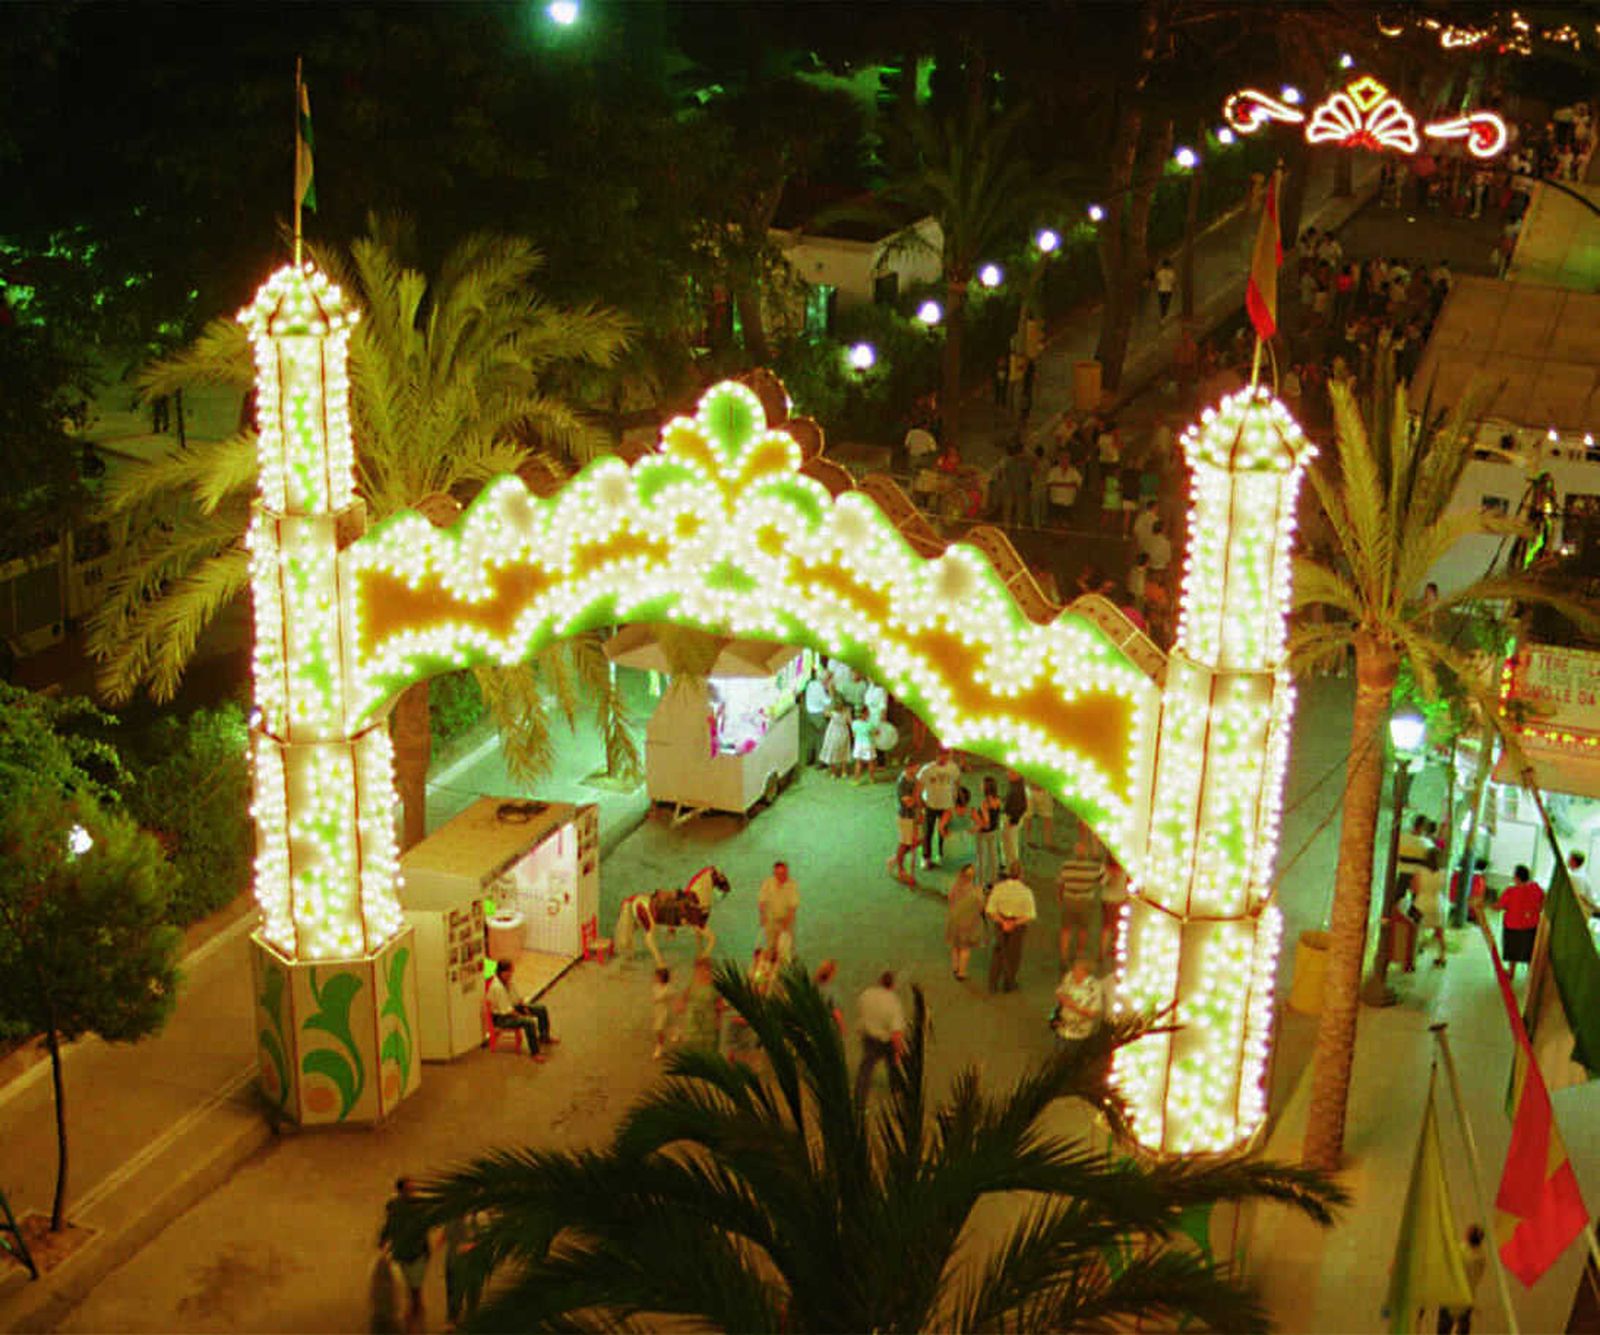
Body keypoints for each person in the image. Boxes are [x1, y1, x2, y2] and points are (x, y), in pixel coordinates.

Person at [380, 1178, 431, 1335]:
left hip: (416, 1253)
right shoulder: (396, 1206)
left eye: (413, 1189)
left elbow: (422, 1228)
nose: (413, 1191)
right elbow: (389, 1225)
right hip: (404, 1254)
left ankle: (415, 1325)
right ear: (401, 1191)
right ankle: (414, 1325)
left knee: (415, 1291)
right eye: (410, 1189)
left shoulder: (416, 1206)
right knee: (409, 1291)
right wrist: (383, 1240)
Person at [855, 971, 907, 1104]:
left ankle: (859, 1098)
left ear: (880, 981)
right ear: (893, 985)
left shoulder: (866, 994)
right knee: (893, 1066)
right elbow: (896, 1032)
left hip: (869, 1038)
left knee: (866, 1068)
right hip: (886, 1040)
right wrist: (898, 1051)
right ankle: (897, 1093)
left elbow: (861, 1011)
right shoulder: (893, 1002)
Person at [486, 959, 556, 1060]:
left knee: (541, 1009)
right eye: (509, 972)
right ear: (502, 972)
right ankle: (535, 1053)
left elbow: (517, 998)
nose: (511, 974)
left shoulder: (509, 982)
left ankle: (544, 1036)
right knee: (529, 1022)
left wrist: (524, 1007)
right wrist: (522, 1015)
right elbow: (507, 1010)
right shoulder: (497, 988)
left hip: (512, 1007)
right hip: (502, 1017)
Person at [986, 865, 1037, 993]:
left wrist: (1003, 922)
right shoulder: (1026, 892)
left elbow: (990, 910)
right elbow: (1030, 915)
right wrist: (1013, 923)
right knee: (1014, 954)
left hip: (1000, 923)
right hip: (1018, 926)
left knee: (998, 952)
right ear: (1021, 875)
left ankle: (993, 983)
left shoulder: (999, 888)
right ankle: (1009, 983)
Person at [1056, 840, 1103, 967]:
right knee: (1083, 929)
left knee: (1066, 930)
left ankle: (1064, 957)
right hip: (1085, 901)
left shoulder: (1066, 866)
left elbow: (1060, 883)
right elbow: (1102, 881)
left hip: (1069, 900)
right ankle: (1079, 954)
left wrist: (1060, 899)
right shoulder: (1093, 868)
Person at [1497, 864, 1545, 983]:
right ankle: (1530, 976)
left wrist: (1484, 905)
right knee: (1529, 952)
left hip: (1512, 926)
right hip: (1531, 927)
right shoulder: (1536, 888)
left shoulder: (1510, 891)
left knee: (1513, 951)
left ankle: (1511, 972)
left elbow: (1500, 906)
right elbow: (1543, 902)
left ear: (1517, 877)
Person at [1437, 1224, 1487, 1333]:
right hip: (1467, 1296)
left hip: (1451, 1296)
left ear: (1468, 1235)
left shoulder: (1459, 1251)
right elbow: (1478, 1276)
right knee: (1462, 1328)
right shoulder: (1482, 1257)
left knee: (1444, 1329)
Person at [918, 747, 962, 869]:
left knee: (944, 831)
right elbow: (919, 787)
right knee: (928, 832)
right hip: (931, 805)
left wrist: (955, 799)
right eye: (942, 755)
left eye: (947, 755)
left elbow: (957, 782)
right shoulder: (927, 769)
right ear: (937, 755)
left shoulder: (953, 768)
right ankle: (926, 857)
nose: (945, 758)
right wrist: (921, 804)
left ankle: (942, 855)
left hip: (946, 806)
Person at [1051, 957, 1105, 1051]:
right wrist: (1064, 999)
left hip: (1079, 1033)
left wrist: (1074, 1006)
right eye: (1074, 969)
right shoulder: (1069, 976)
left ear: (1085, 972)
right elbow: (1059, 992)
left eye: (1077, 970)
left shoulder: (1095, 987)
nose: (1073, 972)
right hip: (1062, 1028)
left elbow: (1093, 1013)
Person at [945, 864, 986, 982]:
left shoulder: (955, 887)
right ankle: (962, 972)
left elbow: (950, 900)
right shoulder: (976, 891)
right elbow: (981, 907)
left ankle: (955, 967)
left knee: (955, 946)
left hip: (954, 921)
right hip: (968, 924)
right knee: (965, 948)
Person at [443, 1210, 483, 1330]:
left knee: (474, 1293)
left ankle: (471, 1318)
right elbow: (450, 1237)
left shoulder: (479, 1219)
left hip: (475, 1263)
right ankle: (452, 1318)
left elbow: (486, 1237)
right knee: (456, 1292)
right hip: (457, 1264)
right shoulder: (453, 1221)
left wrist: (472, 1245)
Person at [1410, 847, 1448, 968]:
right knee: (1440, 933)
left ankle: (1412, 960)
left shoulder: (1419, 871)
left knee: (1415, 933)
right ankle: (1442, 957)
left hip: (1421, 904)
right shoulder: (1443, 873)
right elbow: (1443, 888)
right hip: (1437, 904)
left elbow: (1414, 888)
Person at [888, 757, 922, 887]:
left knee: (918, 840)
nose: (917, 769)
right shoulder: (902, 782)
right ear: (908, 768)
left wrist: (920, 811)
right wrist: (917, 792)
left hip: (914, 815)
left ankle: (896, 858)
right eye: (915, 767)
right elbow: (909, 802)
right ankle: (901, 870)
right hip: (905, 816)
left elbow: (918, 799)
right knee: (905, 843)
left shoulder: (914, 778)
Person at [680, 956, 724, 1052]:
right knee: (692, 1049)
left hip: (709, 1024)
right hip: (692, 1025)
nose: (703, 972)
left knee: (709, 1050)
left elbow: (720, 1005)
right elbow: (682, 1001)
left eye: (706, 969)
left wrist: (719, 1022)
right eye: (699, 969)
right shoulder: (691, 984)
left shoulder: (715, 986)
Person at [758, 860, 799, 955]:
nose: (781, 876)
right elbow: (762, 901)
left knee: (785, 949)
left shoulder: (792, 884)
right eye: (778, 874)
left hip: (786, 920)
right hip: (770, 920)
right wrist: (762, 915)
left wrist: (787, 922)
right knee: (770, 946)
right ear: (774, 873)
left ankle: (785, 962)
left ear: (787, 872)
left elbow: (793, 906)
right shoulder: (767, 883)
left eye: (783, 873)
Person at [973, 775, 1004, 887]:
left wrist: (976, 825)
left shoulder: (985, 803)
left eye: (982, 784)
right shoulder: (998, 800)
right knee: (994, 856)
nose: (980, 786)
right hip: (994, 831)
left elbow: (986, 823)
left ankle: (981, 882)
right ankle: (994, 880)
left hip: (984, 834)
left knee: (982, 859)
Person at [1099, 854, 1130, 962]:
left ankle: (1103, 950)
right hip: (1120, 899)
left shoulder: (1105, 868)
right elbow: (1127, 885)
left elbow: (1101, 882)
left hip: (1107, 899)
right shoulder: (1125, 869)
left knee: (1107, 926)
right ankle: (1114, 948)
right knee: (1117, 926)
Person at [802, 669, 833, 765]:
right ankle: (820, 762)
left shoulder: (811, 684)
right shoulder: (820, 688)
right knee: (821, 738)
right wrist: (831, 691)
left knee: (812, 738)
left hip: (809, 713)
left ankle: (809, 760)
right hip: (818, 715)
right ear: (825, 680)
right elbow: (828, 702)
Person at [1001, 769, 1029, 871]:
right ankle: (1010, 866)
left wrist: (1013, 820)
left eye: (1011, 772)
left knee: (1011, 845)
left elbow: (1022, 806)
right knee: (1009, 844)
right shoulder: (1015, 786)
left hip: (1012, 819)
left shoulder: (1017, 789)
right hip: (1011, 818)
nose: (1008, 774)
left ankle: (1012, 868)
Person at [1046, 454, 1083, 526]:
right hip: (1055, 498)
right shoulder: (1053, 470)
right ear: (1059, 460)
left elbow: (1079, 482)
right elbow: (1049, 482)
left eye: (1066, 459)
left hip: (1068, 499)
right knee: (1055, 517)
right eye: (1062, 459)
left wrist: (1059, 484)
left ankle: (1065, 521)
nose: (1064, 461)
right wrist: (1067, 485)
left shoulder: (1073, 471)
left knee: (1066, 518)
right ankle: (1055, 521)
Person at [819, 697, 851, 778]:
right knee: (844, 752)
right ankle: (844, 772)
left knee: (832, 751)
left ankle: (833, 773)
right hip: (843, 732)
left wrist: (827, 705)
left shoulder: (832, 713)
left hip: (833, 733)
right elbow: (850, 722)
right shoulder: (846, 713)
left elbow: (824, 711)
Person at [651, 966, 676, 1060]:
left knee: (659, 1030)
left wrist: (661, 998)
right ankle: (675, 1032)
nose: (655, 978)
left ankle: (659, 1048)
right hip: (658, 1011)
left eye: (657, 976)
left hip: (665, 1011)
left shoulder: (668, 988)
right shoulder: (656, 986)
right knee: (667, 1025)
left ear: (662, 978)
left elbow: (670, 996)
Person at [849, 706, 878, 784]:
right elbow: (875, 733)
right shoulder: (870, 724)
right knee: (871, 763)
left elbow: (854, 734)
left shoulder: (854, 723)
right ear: (866, 714)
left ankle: (856, 780)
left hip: (858, 745)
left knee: (858, 763)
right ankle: (872, 779)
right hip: (868, 744)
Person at [1567, 850, 1597, 916]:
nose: (1567, 861)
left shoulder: (1577, 876)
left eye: (1569, 859)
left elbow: (1580, 897)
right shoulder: (1577, 873)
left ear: (1574, 862)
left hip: (1584, 910)